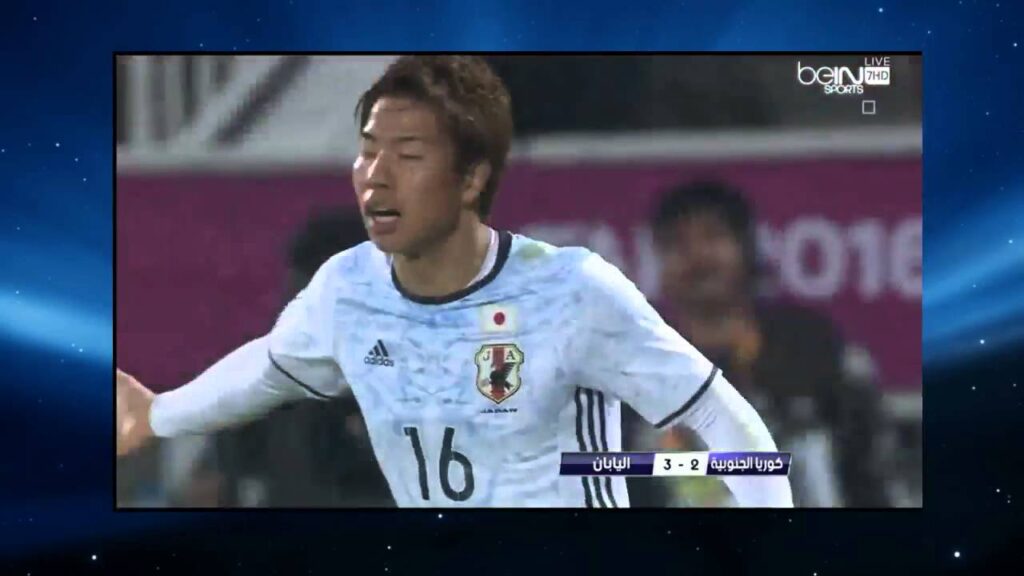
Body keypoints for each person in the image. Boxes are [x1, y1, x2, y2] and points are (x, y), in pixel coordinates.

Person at [116, 55, 793, 508]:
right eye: (368, 151)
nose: (375, 176)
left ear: (471, 179)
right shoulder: (344, 289)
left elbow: (719, 418)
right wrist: (160, 413)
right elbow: (267, 368)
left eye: (407, 156)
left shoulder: (574, 290)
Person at [647, 181, 888, 507]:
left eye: (712, 237)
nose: (697, 257)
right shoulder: (645, 371)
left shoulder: (813, 350)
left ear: (746, 248)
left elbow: (871, 471)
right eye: (678, 244)